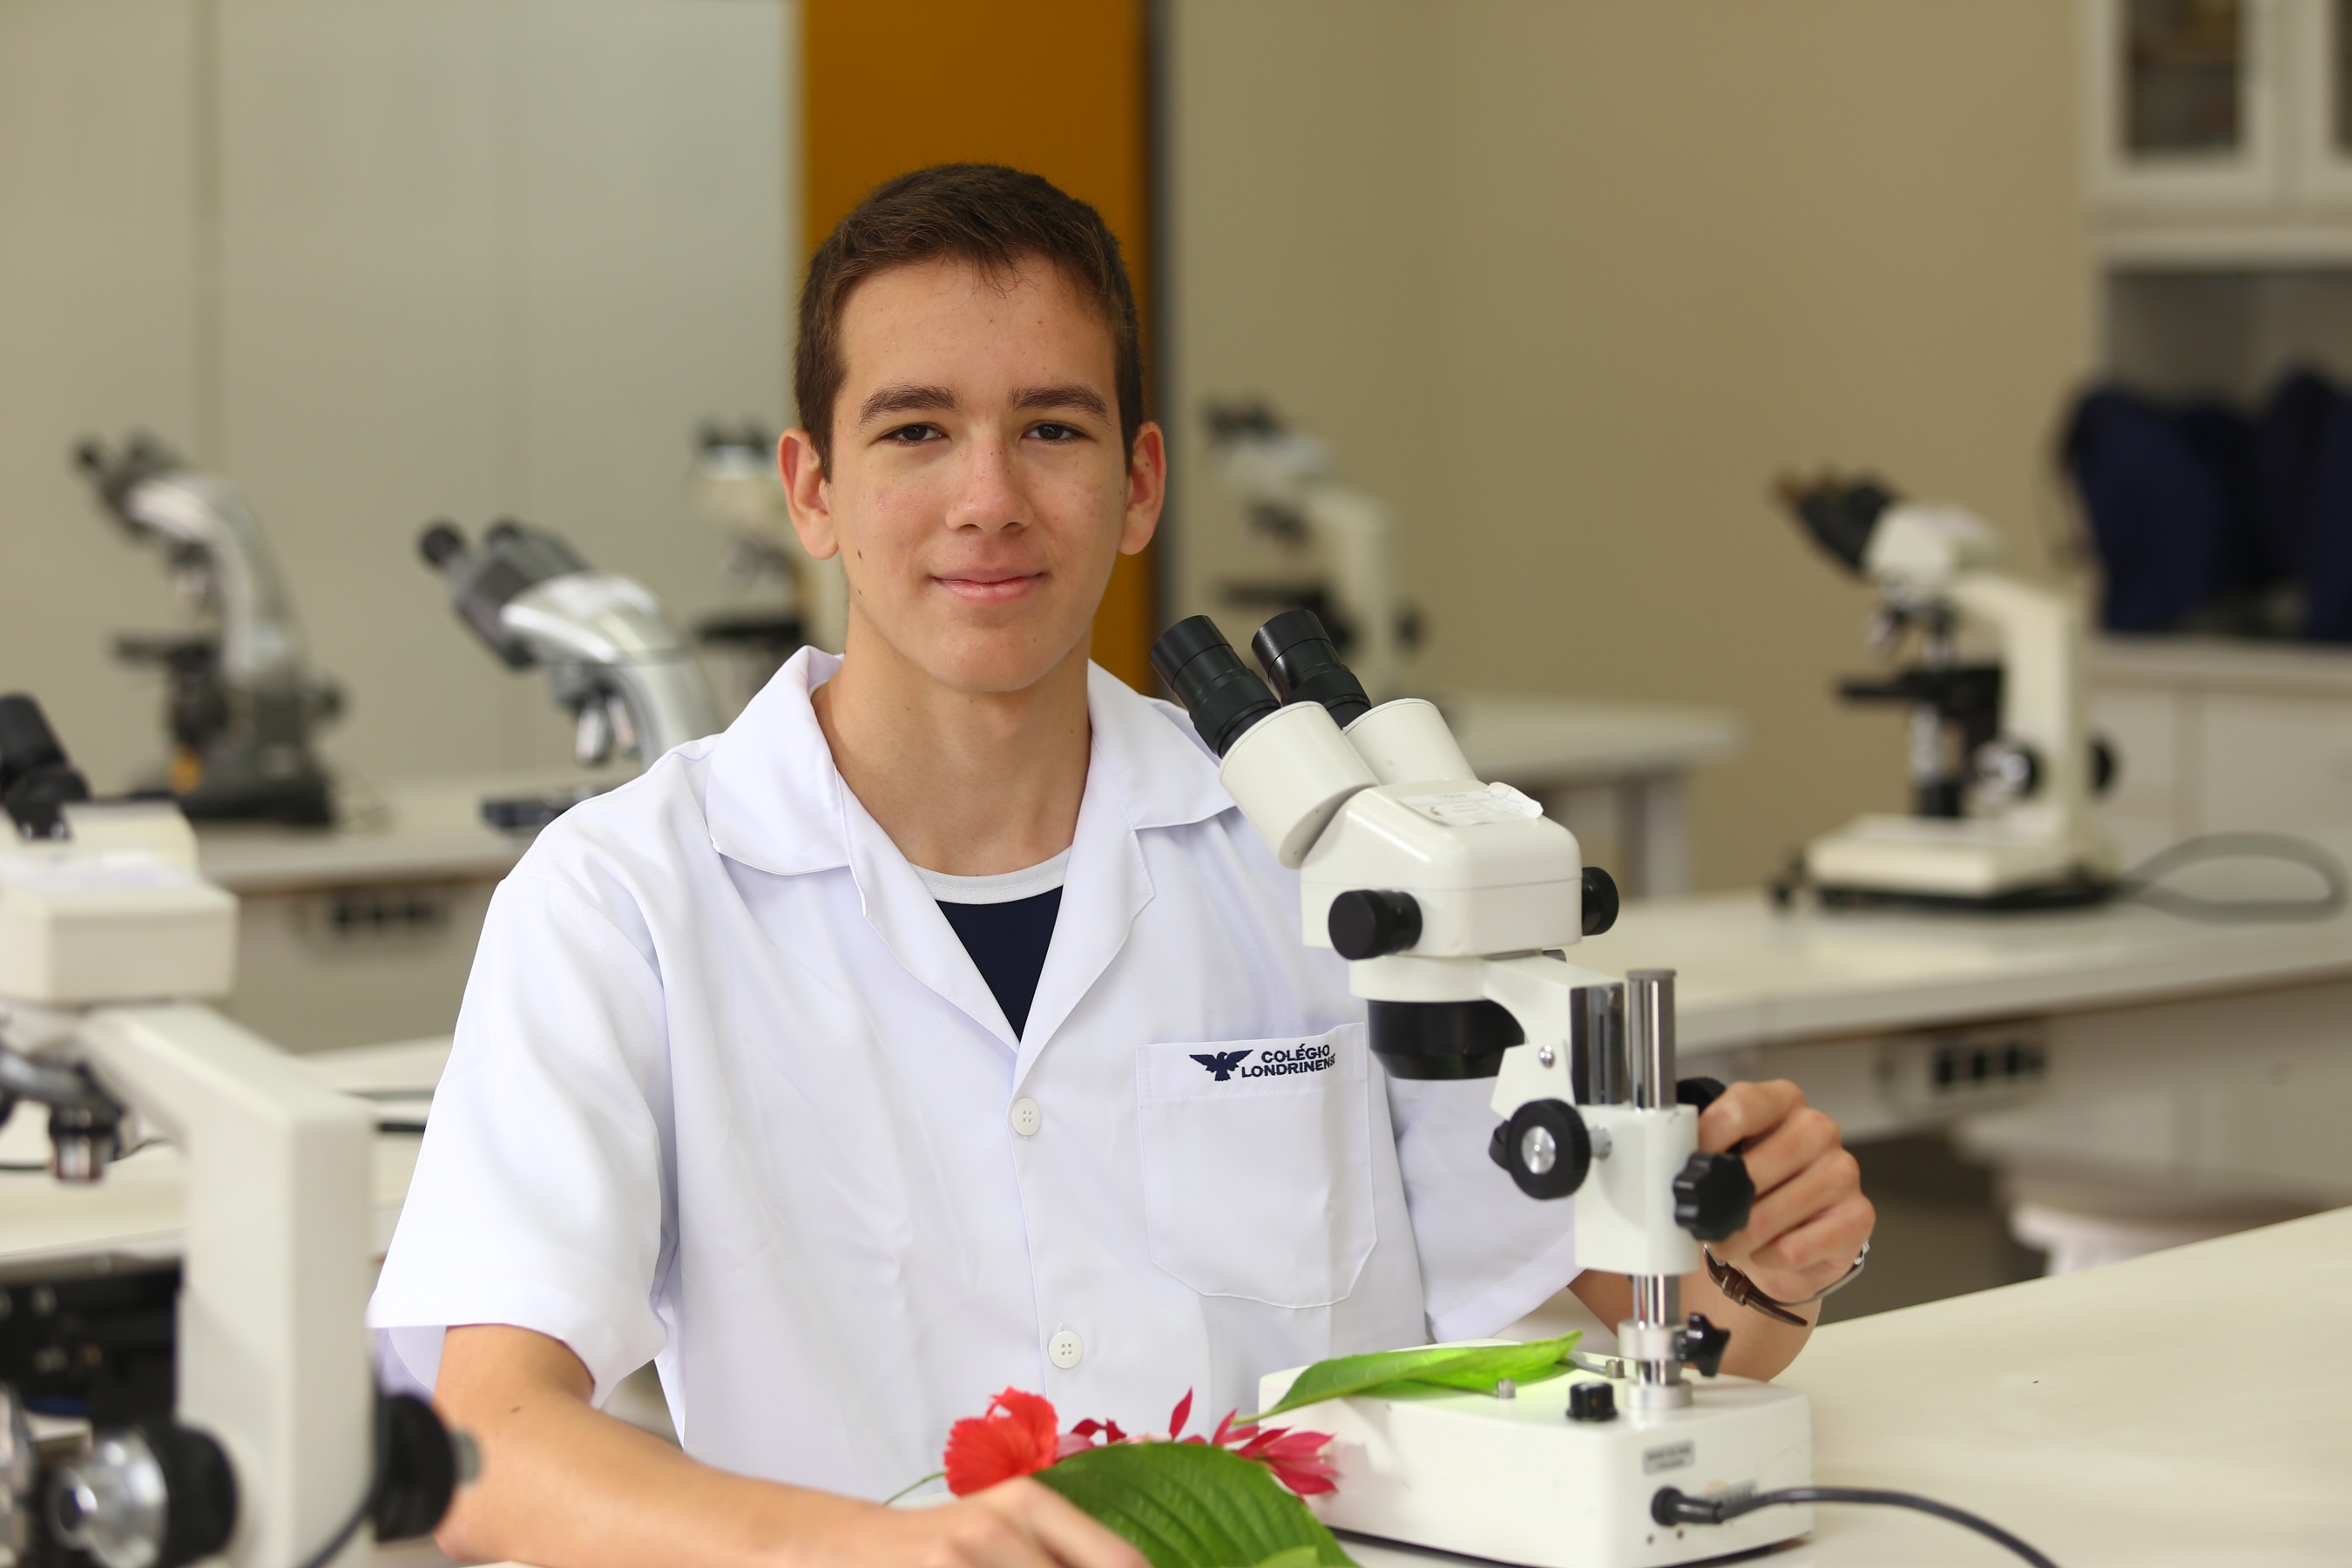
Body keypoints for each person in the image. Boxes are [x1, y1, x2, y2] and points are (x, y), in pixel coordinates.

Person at [372, 164, 1875, 1568]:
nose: (989, 499)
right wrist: (879, 1553)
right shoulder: (622, 899)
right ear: (811, 488)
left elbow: (1650, 1332)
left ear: (1141, 480)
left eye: (1052, 427)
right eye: (913, 431)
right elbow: (483, 1444)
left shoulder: (1332, 858)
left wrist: (1767, 1261)